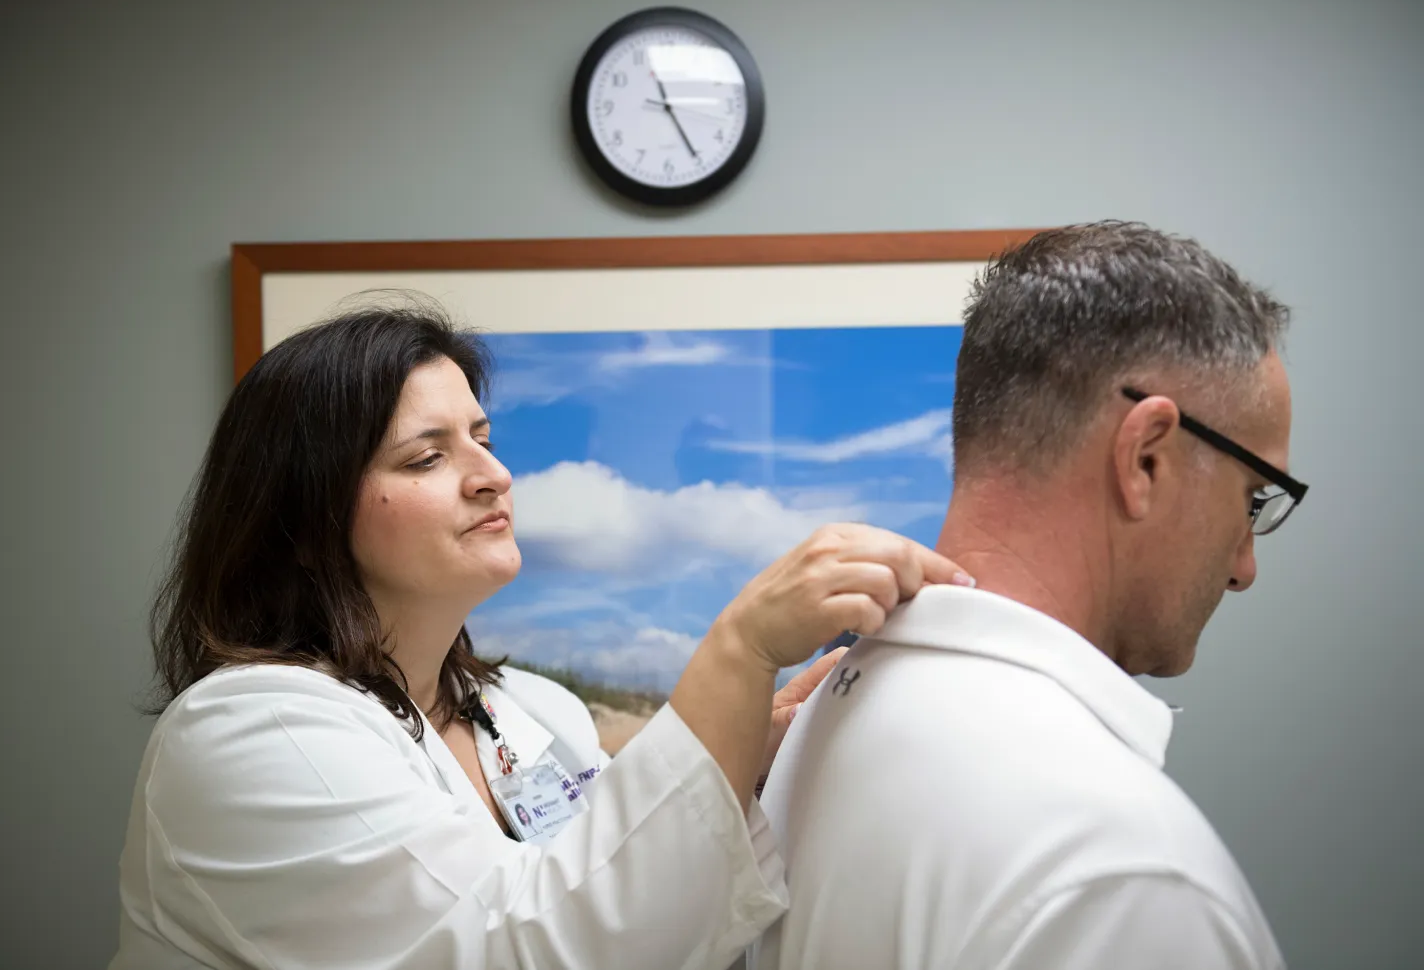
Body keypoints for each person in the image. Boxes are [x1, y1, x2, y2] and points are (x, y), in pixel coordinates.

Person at [109, 301, 972, 970]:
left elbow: (637, 903)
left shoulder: (528, 712)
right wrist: (740, 646)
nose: (493, 476)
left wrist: (743, 753)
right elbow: (525, 948)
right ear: (304, 517)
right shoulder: (248, 735)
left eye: (482, 439)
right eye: (426, 457)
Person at [752, 222, 1303, 970]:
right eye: (1250, 500)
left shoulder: (822, 722)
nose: (1244, 566)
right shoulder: (1124, 877)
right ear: (1144, 457)